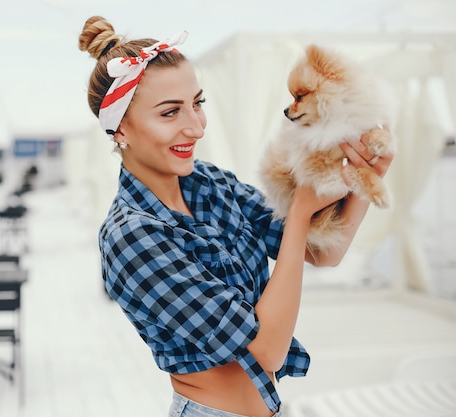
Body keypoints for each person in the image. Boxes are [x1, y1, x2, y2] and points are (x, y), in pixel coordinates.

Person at [78, 16, 392, 417]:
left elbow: (322, 251)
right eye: (171, 113)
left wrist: (365, 176)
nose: (196, 127)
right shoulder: (132, 237)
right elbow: (267, 351)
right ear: (120, 127)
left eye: (198, 103)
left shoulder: (211, 183)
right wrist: (299, 212)